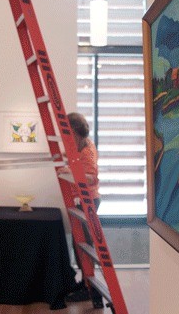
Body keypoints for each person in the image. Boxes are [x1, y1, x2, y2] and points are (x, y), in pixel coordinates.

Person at [63, 112, 104, 308]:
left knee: (85, 246)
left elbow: (91, 177)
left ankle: (93, 292)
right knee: (78, 244)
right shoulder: (78, 146)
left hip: (89, 201)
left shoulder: (87, 150)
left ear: (74, 131)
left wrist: (71, 172)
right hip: (81, 200)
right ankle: (86, 283)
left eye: (66, 131)